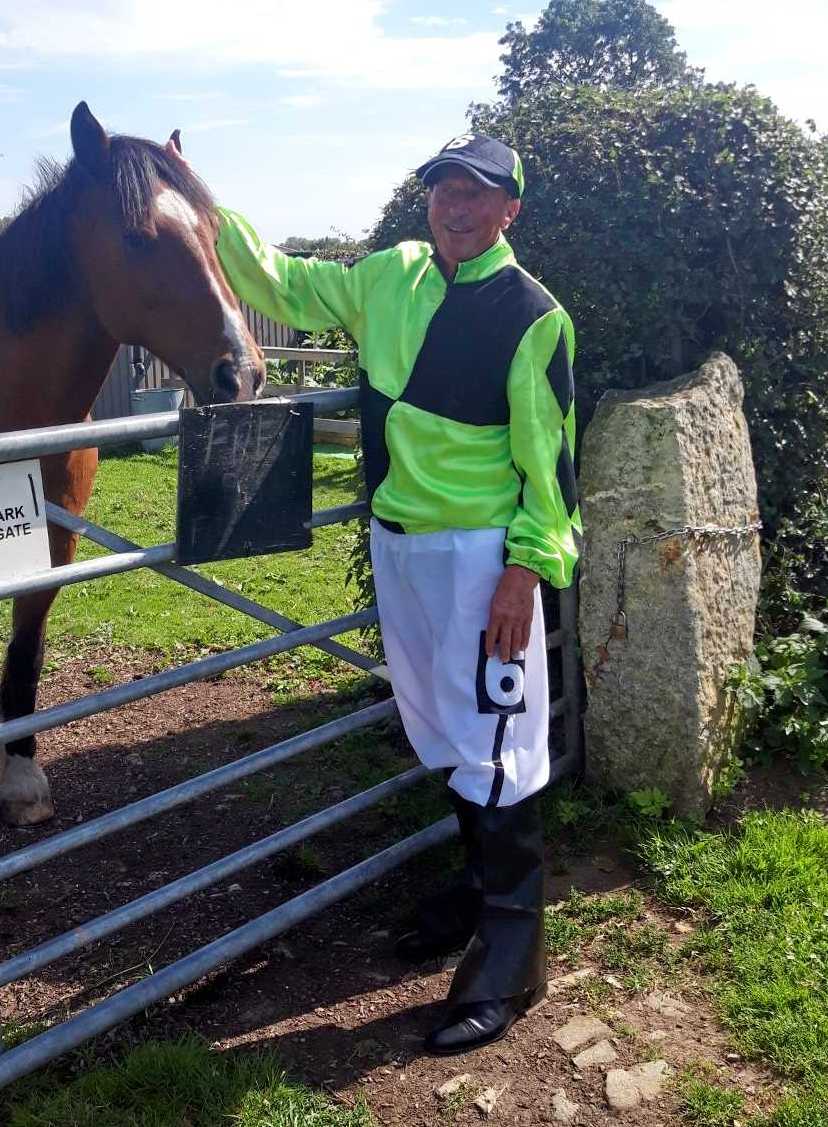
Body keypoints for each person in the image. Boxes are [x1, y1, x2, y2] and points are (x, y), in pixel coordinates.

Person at [214, 130, 581, 1054]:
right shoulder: (391, 276)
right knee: (447, 731)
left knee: (499, 742)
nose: (456, 207)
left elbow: (554, 471)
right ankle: (474, 898)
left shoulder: (534, 315)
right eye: (443, 191)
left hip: (481, 558)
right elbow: (285, 285)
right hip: (399, 545)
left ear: (510, 210)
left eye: (476, 194)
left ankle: (513, 955)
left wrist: (524, 573)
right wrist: (197, 204)